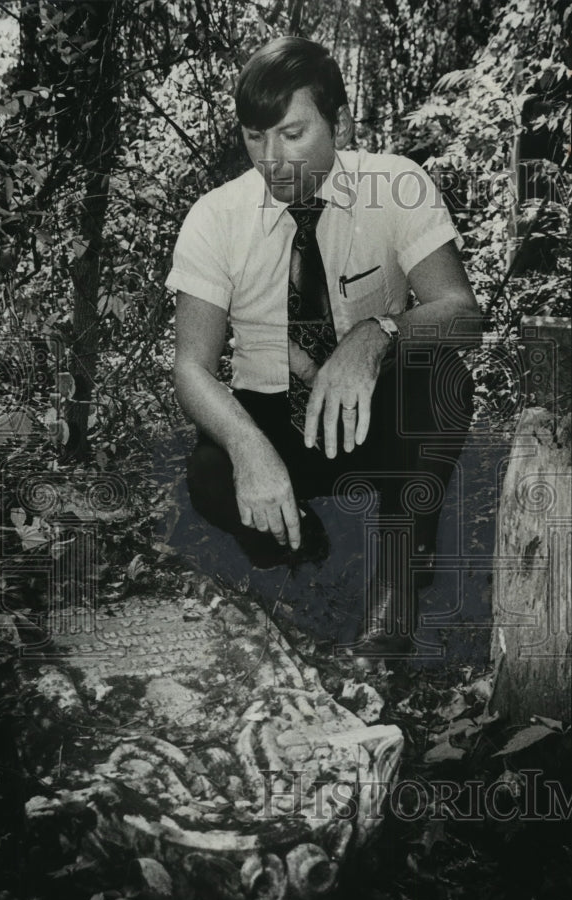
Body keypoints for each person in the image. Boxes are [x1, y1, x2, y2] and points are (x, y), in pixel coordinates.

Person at [167, 36, 481, 656]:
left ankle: (395, 594)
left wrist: (377, 333)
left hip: (372, 415)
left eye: (292, 133)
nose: (272, 159)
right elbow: (191, 366)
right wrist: (249, 447)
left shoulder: (396, 185)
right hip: (276, 417)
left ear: (338, 121)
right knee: (209, 474)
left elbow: (462, 315)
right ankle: (298, 541)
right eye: (255, 137)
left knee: (440, 383)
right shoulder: (213, 217)